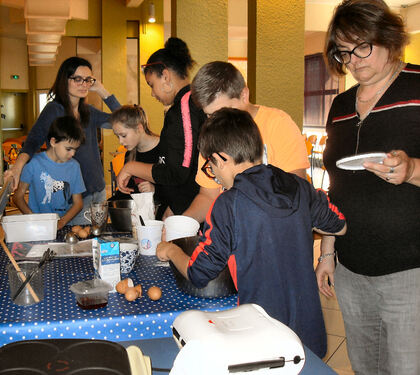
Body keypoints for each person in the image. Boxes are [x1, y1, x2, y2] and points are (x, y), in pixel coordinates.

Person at [156, 108, 347, 358]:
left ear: (221, 158)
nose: (214, 177)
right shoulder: (298, 185)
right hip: (308, 333)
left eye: (211, 167)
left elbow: (199, 272)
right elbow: (339, 225)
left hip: (263, 335)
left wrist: (170, 250)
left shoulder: (227, 204)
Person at [316, 1, 420, 374]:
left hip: (410, 268)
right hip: (352, 269)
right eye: (344, 52)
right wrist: (328, 251)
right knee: (365, 366)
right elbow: (336, 185)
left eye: (362, 46)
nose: (354, 60)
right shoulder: (341, 105)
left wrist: (411, 170)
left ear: (389, 39)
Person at [182, 61, 310, 223]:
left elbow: (295, 192)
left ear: (244, 95)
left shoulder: (278, 124)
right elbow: (208, 196)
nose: (217, 122)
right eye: (209, 115)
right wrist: (182, 224)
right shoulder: (212, 133)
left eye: (222, 111)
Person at [4, 56, 121, 225]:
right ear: (64, 80)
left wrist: (102, 90)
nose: (84, 84)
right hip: (76, 197)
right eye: (77, 79)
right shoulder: (54, 110)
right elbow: (33, 140)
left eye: (88, 80)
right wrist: (17, 167)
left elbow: (124, 121)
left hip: (99, 190)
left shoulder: (89, 112)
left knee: (96, 240)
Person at [116, 38, 206, 219]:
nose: (152, 93)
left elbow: (178, 171)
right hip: (186, 203)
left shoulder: (185, 109)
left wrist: (131, 167)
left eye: (151, 85)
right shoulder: (185, 106)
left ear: (165, 76)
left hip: (195, 207)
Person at [13, 117, 86, 230]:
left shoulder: (74, 166)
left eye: (75, 150)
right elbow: (18, 196)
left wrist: (62, 222)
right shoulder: (33, 163)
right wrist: (33, 219)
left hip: (62, 226)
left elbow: (78, 203)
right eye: (68, 149)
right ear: (53, 142)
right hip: (36, 227)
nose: (72, 154)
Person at [110, 105, 160, 200]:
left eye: (123, 135)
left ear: (139, 128)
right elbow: (128, 191)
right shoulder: (129, 154)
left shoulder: (164, 149)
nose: (120, 141)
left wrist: (155, 190)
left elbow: (176, 188)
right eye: (118, 137)